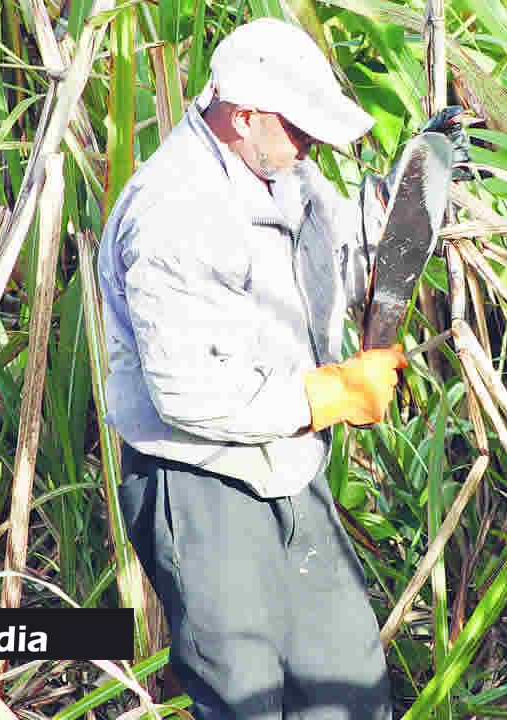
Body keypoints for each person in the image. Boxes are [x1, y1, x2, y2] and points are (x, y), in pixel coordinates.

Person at [97, 17, 466, 720]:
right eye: (300, 131)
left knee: (347, 682)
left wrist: (409, 189)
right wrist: (331, 393)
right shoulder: (174, 212)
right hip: (201, 483)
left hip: (288, 467)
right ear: (244, 117)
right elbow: (186, 392)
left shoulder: (281, 170)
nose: (312, 148)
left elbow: (339, 244)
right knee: (249, 696)